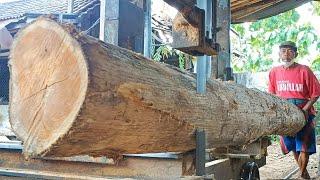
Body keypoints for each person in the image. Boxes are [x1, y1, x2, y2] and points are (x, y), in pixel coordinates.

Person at [268, 41, 320, 179]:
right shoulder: (274, 72)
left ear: (296, 54)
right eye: (283, 51)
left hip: (304, 111)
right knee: (292, 146)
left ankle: (301, 173)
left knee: (304, 146)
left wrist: (304, 110)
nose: (286, 53)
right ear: (279, 54)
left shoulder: (304, 70)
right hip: (284, 114)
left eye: (290, 51)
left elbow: (315, 93)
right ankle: (304, 173)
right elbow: (272, 95)